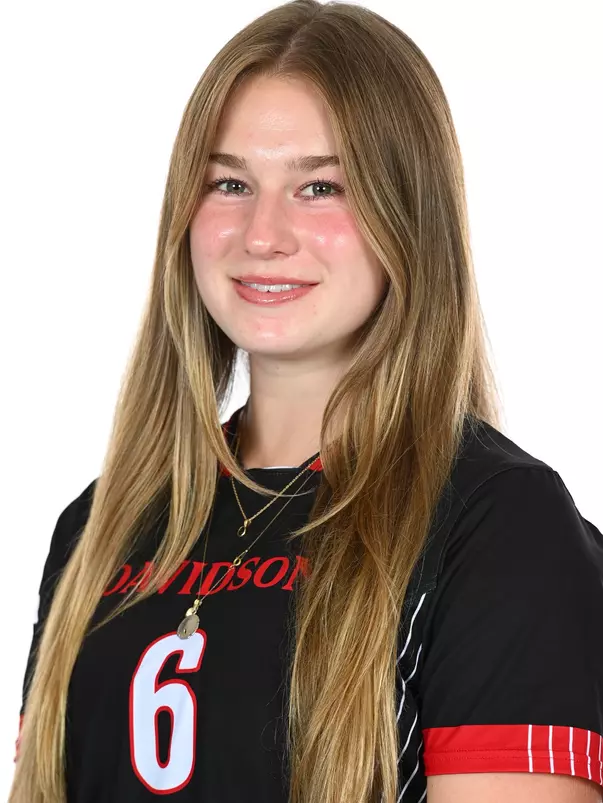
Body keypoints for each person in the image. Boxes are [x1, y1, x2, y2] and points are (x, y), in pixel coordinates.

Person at [9, 0, 603, 801]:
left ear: (408, 214)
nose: (262, 233)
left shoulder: (496, 523)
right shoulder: (97, 526)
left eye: (320, 186)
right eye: (229, 182)